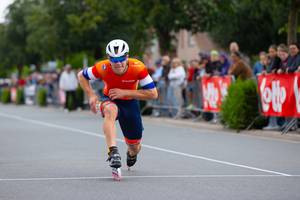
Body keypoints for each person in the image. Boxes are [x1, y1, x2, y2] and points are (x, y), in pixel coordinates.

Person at [77, 39, 158, 171]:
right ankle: (113, 152)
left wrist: (124, 92)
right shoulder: (102, 67)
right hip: (110, 98)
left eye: (122, 58)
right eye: (114, 60)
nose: (118, 63)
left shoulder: (138, 67)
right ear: (109, 58)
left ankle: (131, 153)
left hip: (130, 102)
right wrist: (91, 94)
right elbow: (81, 76)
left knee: (135, 146)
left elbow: (153, 94)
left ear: (127, 56)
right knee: (110, 110)